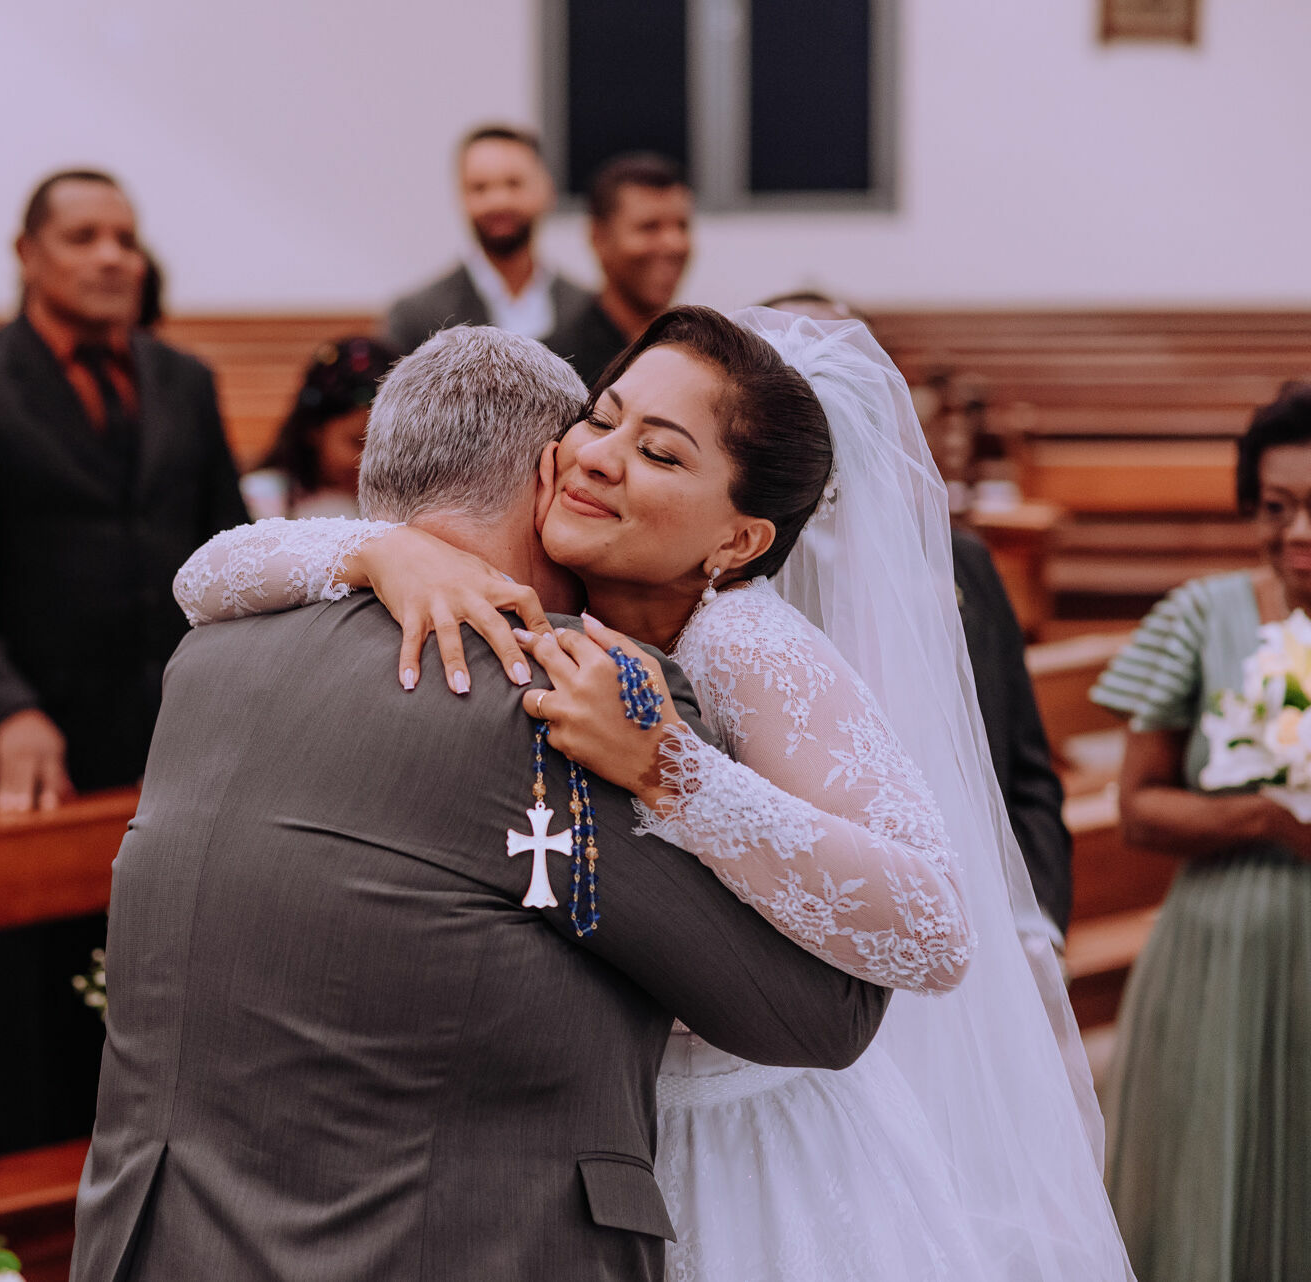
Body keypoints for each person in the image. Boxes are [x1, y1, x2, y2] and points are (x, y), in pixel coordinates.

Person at [173, 310, 1134, 1279]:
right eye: (604, 417)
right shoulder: (565, 598)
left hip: (747, 1150)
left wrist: (673, 770)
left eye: (661, 454)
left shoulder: (744, 642)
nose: (597, 458)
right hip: (599, 1132)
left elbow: (934, 926)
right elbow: (202, 578)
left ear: (737, 537)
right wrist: (376, 551)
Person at [73, 325, 891, 1282]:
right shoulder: (545, 695)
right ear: (550, 478)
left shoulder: (209, 655)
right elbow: (820, 1017)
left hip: (164, 1250)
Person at [0, 168, 246, 1152]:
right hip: (30, 756)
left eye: (125, 238)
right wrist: (4, 706)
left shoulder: (182, 380)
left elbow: (228, 557)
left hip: (174, 753)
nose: (109, 257)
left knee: (174, 1008)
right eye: (84, 236)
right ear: (26, 254)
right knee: (36, 1031)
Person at [762, 289, 1071, 938]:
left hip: (980, 924)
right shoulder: (730, 574)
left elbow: (1027, 772)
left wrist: (1038, 924)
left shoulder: (960, 564)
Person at [1091, 381, 1311, 1282]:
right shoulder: (1198, 616)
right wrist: (1267, 816)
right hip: (1226, 949)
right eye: (1275, 507)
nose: (1297, 533)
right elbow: (1139, 809)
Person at [384, 125, 591, 351]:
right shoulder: (417, 318)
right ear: (461, 197)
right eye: (480, 188)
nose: (498, 201)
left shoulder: (587, 309)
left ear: (547, 191)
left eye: (514, 184)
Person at [543, 152, 693, 386]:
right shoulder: (557, 365)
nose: (674, 243)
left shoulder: (699, 355)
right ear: (598, 238)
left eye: (682, 226)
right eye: (649, 227)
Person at [239, 336, 398, 520]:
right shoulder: (260, 500)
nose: (370, 461)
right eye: (358, 442)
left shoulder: (404, 507)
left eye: (385, 445)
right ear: (314, 429)